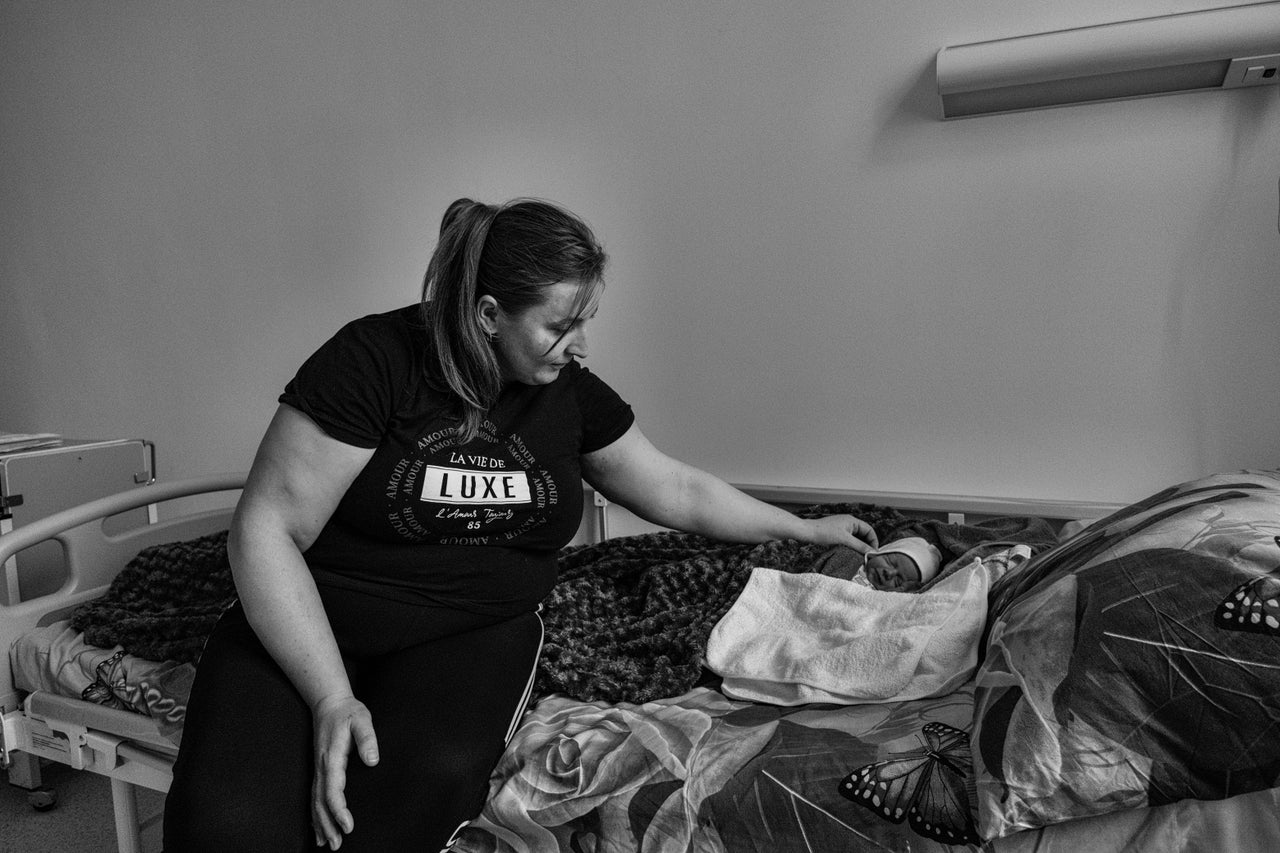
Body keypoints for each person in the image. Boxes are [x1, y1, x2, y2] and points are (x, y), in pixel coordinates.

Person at [162, 197, 879, 853]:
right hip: (321, 612)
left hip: (475, 626)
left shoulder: (566, 393)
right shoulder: (372, 362)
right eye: (562, 325)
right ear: (486, 314)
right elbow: (265, 528)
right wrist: (330, 697)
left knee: (405, 801)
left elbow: (675, 487)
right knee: (225, 824)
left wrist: (805, 528)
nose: (582, 345)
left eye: (585, 323)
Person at [862, 536, 943, 591]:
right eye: (889, 561)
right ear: (881, 552)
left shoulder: (878, 598)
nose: (889, 573)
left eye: (898, 581)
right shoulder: (854, 556)